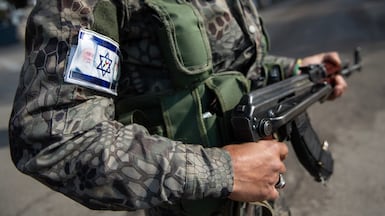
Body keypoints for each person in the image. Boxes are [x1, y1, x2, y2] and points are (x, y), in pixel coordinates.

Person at [8, 0, 347, 216]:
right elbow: (54, 139)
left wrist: (296, 70)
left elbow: (236, 69)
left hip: (263, 199)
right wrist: (224, 171)